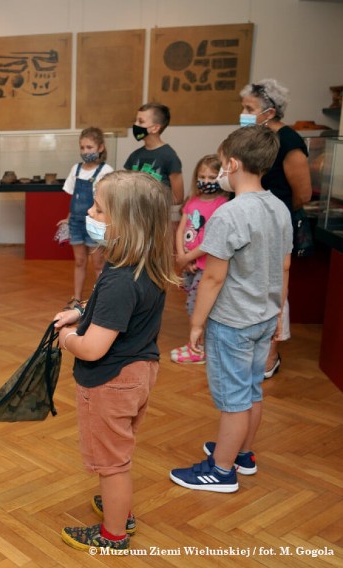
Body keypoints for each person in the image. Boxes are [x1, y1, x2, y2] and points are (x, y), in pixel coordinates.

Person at [52, 170, 177, 551]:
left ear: (125, 224)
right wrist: (83, 311)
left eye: (99, 210)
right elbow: (117, 312)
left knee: (111, 463)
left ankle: (113, 534)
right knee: (119, 453)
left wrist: (66, 337)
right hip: (140, 373)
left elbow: (92, 348)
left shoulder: (120, 279)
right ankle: (118, 509)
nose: (89, 213)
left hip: (110, 382)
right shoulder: (146, 266)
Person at [170, 126, 291, 493]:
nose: (220, 171)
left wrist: (196, 323)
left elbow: (213, 278)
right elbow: (285, 267)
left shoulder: (229, 215)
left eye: (222, 164)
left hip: (233, 321)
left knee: (234, 401)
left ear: (233, 164)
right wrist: (279, 316)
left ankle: (221, 470)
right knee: (252, 390)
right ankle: (242, 453)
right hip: (265, 316)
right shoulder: (279, 208)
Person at [239, 79, 310, 379]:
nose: (243, 113)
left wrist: (275, 214)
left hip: (274, 225)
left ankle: (271, 354)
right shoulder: (253, 137)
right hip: (248, 223)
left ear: (269, 112)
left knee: (275, 289)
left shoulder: (291, 141)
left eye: (249, 108)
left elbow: (302, 193)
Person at [170, 155, 229, 364]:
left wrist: (188, 257)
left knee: (199, 307)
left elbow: (212, 240)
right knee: (191, 305)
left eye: (212, 177)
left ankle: (198, 347)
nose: (206, 181)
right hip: (189, 265)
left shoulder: (223, 204)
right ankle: (199, 343)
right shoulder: (192, 201)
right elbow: (181, 229)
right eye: (202, 176)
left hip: (206, 266)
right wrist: (182, 257)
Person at [59, 127, 114, 305]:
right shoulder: (76, 169)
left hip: (95, 222)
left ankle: (99, 300)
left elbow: (108, 203)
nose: (85, 151)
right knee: (79, 261)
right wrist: (68, 218)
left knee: (98, 264)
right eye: (82, 148)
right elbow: (74, 197)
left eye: (89, 147)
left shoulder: (106, 171)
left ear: (100, 147)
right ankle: (76, 298)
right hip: (76, 222)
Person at [124, 102, 184, 219]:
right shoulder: (134, 156)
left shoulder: (169, 157)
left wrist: (150, 200)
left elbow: (178, 197)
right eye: (135, 120)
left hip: (157, 221)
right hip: (135, 219)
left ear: (155, 128)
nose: (135, 125)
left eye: (141, 121)